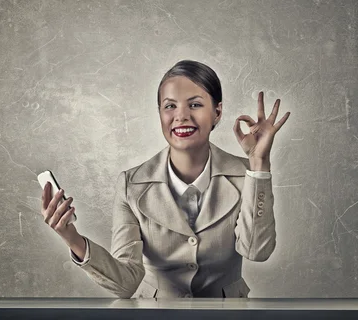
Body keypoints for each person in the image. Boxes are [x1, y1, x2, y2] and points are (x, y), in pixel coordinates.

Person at [41, 59, 290, 299]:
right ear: (159, 113)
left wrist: (259, 164)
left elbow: (257, 251)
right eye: (170, 106)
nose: (181, 116)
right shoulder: (131, 185)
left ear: (217, 112)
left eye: (195, 105)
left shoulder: (247, 176)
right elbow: (127, 283)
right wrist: (72, 238)